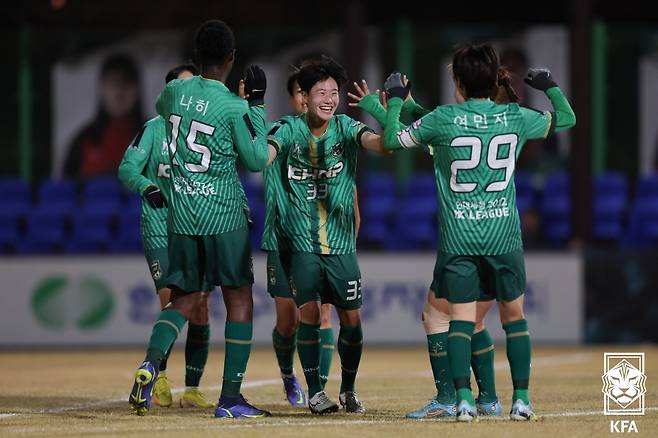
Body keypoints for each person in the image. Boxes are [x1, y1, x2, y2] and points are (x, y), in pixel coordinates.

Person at [381, 43, 576, 421]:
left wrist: (393, 102)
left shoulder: (443, 119)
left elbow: (392, 140)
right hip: (504, 234)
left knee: (460, 319)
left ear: (457, 80)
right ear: (494, 78)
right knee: (514, 317)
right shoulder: (514, 117)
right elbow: (565, 119)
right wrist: (550, 86)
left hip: (460, 238)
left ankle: (465, 400)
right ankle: (521, 399)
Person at [128, 19, 273, 419]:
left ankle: (151, 364)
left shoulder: (174, 91)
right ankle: (230, 399)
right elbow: (257, 159)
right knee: (239, 298)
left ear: (196, 57)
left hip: (183, 216)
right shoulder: (234, 105)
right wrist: (257, 107)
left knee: (183, 298)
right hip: (223, 216)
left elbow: (161, 110)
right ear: (231, 58)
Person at [267, 56, 387, 415]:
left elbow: (385, 145)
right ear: (304, 96)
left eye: (334, 92)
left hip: (340, 244)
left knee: (352, 320)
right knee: (309, 315)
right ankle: (316, 392)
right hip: (301, 243)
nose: (329, 99)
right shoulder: (287, 129)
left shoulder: (348, 128)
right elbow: (264, 156)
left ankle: (348, 388)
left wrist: (381, 111)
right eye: (322, 92)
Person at [118, 63, 216, 410]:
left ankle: (192, 389)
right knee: (172, 302)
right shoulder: (153, 129)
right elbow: (127, 168)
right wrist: (146, 187)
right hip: (161, 230)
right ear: (168, 93)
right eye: (181, 87)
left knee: (201, 308)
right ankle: (155, 377)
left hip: (197, 229)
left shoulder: (205, 129)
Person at [64, 53, 144, 180]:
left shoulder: (155, 137)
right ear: (101, 87)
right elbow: (66, 188)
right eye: (113, 82)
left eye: (126, 81)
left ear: (137, 88)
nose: (120, 90)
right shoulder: (84, 140)